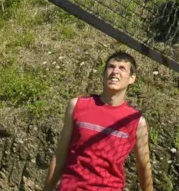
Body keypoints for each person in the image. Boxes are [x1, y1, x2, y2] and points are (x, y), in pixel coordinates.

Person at [44, 51, 153, 191]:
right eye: (111, 67)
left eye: (122, 68)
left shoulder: (136, 121)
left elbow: (144, 167)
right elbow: (60, 156)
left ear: (132, 78)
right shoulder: (77, 106)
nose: (115, 72)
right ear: (104, 74)